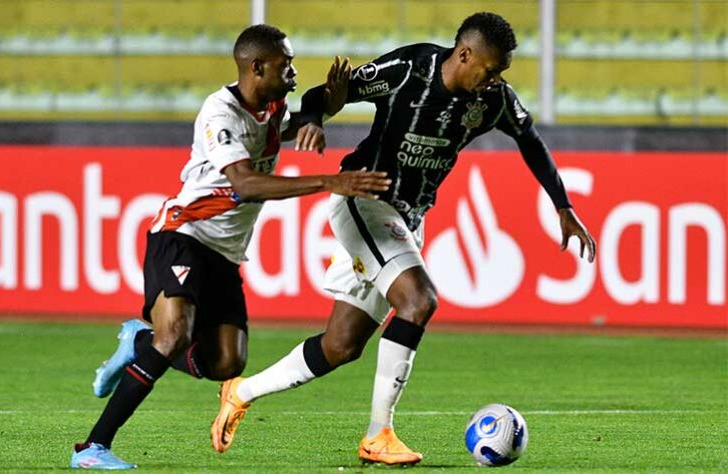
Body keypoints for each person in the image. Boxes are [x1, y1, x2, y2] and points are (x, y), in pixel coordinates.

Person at [211, 12, 598, 467]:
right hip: (364, 198)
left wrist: (563, 206)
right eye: (491, 69)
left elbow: (529, 139)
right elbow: (331, 92)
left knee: (341, 345)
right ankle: (379, 435)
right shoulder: (410, 70)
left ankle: (241, 391)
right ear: (465, 54)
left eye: (502, 74)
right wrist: (315, 117)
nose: (495, 80)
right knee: (419, 300)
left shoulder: (491, 100)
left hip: (408, 217)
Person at [69, 24, 390, 470]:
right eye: (286, 64)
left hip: (224, 252)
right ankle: (92, 447)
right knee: (175, 336)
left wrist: (318, 115)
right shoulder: (219, 113)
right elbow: (246, 183)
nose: (294, 72)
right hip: (184, 234)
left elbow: (296, 118)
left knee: (225, 362)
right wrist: (330, 182)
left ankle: (138, 340)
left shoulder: (270, 105)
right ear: (257, 67)